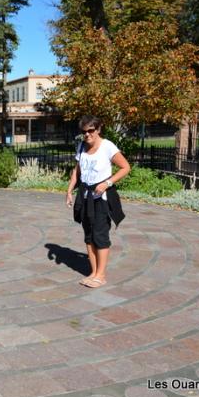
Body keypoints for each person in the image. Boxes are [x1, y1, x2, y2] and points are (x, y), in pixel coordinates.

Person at [66, 115, 131, 288]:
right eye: (84, 132)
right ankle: (93, 272)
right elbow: (77, 171)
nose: (87, 135)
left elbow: (125, 167)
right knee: (88, 235)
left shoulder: (107, 146)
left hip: (101, 198)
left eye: (91, 131)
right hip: (85, 196)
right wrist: (69, 190)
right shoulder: (81, 147)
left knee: (100, 235)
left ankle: (101, 275)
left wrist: (107, 183)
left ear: (98, 129)